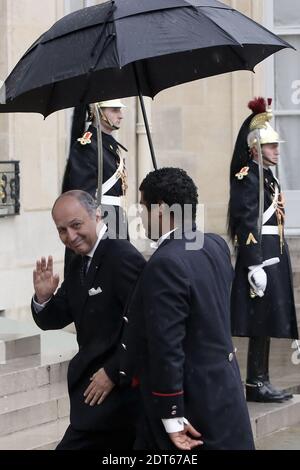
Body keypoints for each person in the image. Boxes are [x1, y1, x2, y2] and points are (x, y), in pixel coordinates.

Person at [118, 167, 255, 450]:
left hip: (193, 406)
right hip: (224, 391)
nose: (139, 217)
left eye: (143, 207)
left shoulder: (165, 263)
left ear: (161, 209)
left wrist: (171, 413)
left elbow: (167, 344)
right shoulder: (214, 243)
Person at [31, 190, 145, 450]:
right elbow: (56, 316)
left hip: (118, 396)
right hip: (93, 396)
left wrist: (113, 372)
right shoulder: (77, 260)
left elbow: (144, 323)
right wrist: (43, 298)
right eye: (62, 230)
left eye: (76, 225)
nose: (70, 237)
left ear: (97, 215)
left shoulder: (121, 256)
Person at [228, 97, 298, 403]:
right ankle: (256, 381)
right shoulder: (249, 177)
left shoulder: (266, 177)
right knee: (260, 319)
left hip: (273, 251)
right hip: (261, 255)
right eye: (271, 146)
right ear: (255, 148)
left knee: (268, 319)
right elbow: (246, 221)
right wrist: (253, 263)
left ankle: (262, 379)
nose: (276, 150)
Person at [62, 99, 128, 275]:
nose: (120, 115)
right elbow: (82, 196)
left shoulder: (110, 145)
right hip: (101, 221)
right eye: (114, 110)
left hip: (116, 219)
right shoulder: (87, 145)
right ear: (97, 111)